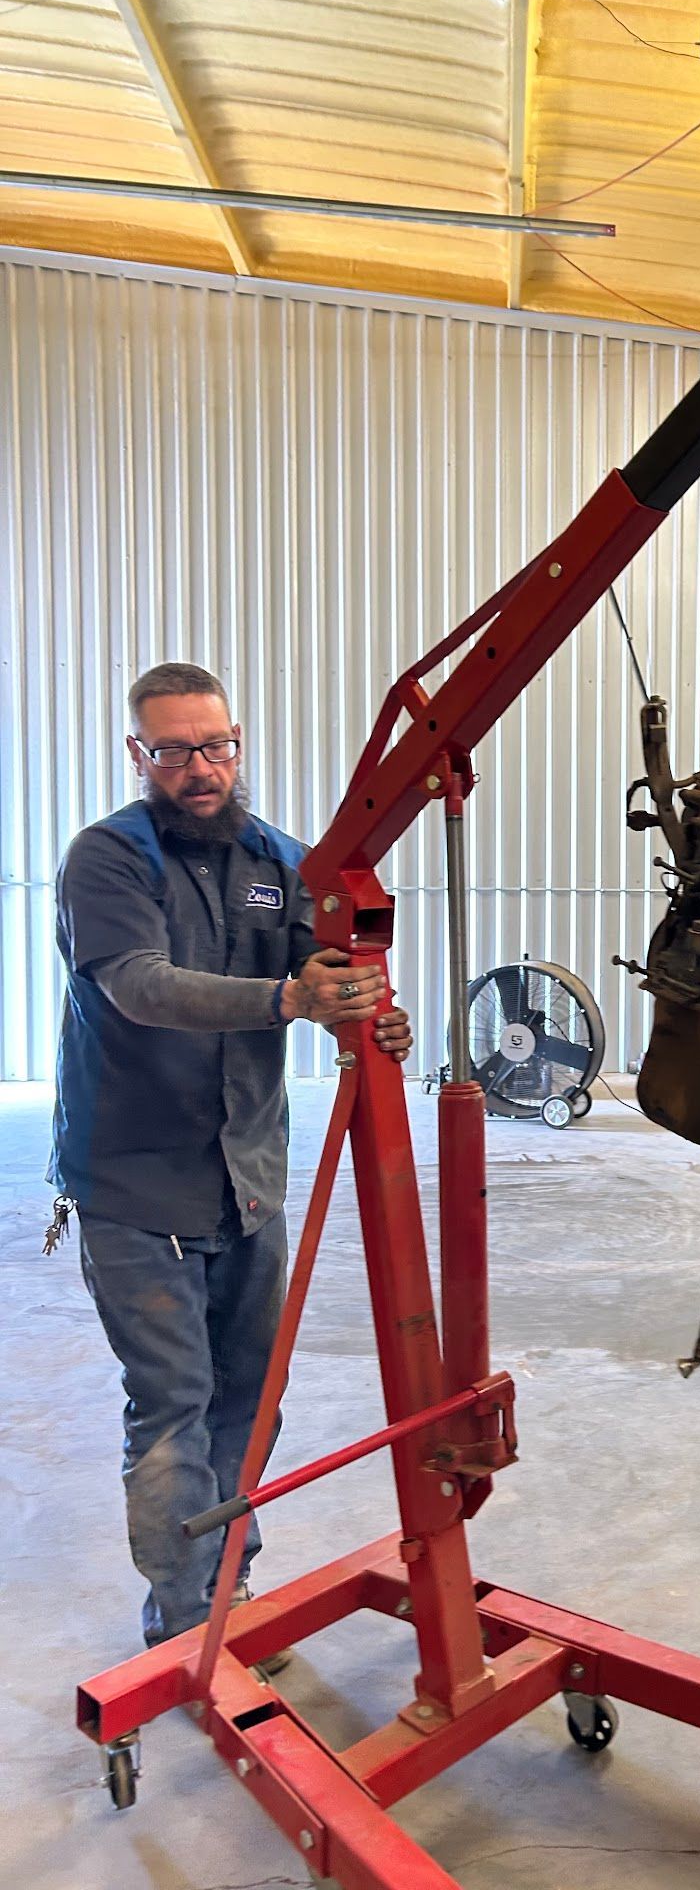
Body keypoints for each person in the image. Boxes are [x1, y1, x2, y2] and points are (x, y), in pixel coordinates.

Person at [49, 661, 412, 1655]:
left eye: (215, 747)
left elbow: (323, 962)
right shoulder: (108, 861)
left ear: (237, 742)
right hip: (136, 1183)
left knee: (251, 1402)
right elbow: (139, 985)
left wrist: (363, 1012)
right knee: (175, 1404)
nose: (199, 770)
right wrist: (284, 1003)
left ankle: (229, 1591)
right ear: (140, 755)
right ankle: (180, 1618)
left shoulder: (279, 861)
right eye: (173, 752)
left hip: (247, 1179)